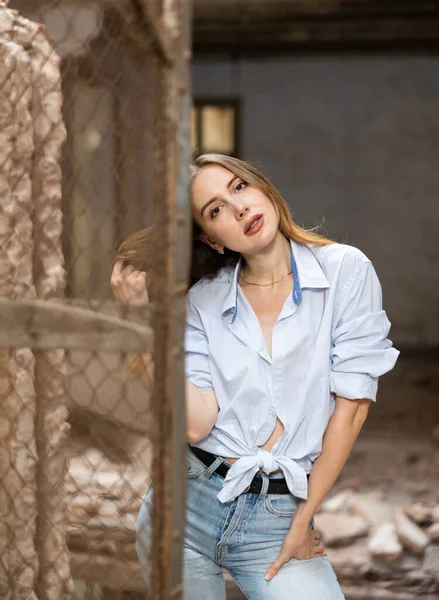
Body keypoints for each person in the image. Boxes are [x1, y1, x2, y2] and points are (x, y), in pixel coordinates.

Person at [111, 153, 399, 600]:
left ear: (263, 188)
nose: (238, 207)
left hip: (279, 515)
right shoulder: (204, 300)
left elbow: (351, 411)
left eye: (239, 187)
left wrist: (302, 521)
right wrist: (142, 325)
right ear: (212, 238)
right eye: (216, 209)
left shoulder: (344, 270)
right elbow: (195, 422)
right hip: (186, 504)